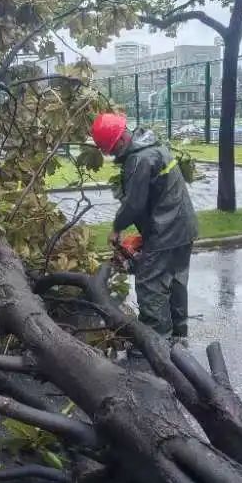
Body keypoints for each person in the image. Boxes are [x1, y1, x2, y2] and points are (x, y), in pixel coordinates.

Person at [91, 113, 198, 339]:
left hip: (166, 230)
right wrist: (145, 234)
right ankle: (179, 334)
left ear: (119, 141)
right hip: (183, 226)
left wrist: (117, 228)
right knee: (176, 279)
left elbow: (134, 204)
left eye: (110, 150)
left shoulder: (138, 160)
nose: (111, 155)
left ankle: (157, 341)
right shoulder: (154, 147)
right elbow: (156, 197)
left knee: (150, 284)